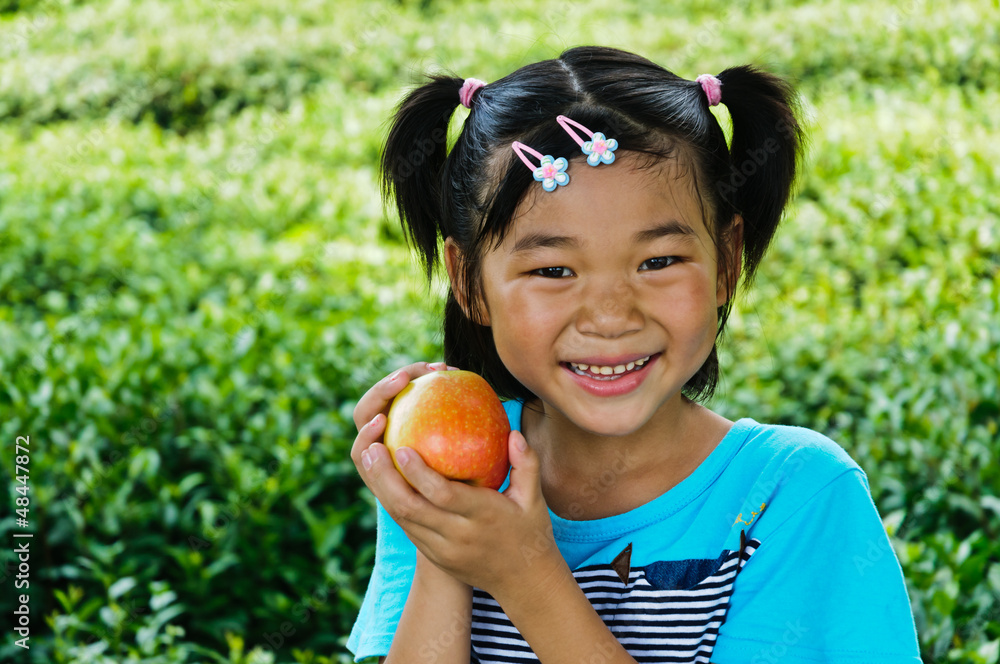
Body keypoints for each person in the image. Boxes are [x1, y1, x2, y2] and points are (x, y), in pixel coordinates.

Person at [347, 46, 921, 664]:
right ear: (469, 285)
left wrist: (526, 575)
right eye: (553, 269)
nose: (612, 315)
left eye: (658, 262)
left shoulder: (792, 495)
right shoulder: (446, 467)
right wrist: (445, 540)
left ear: (727, 261)